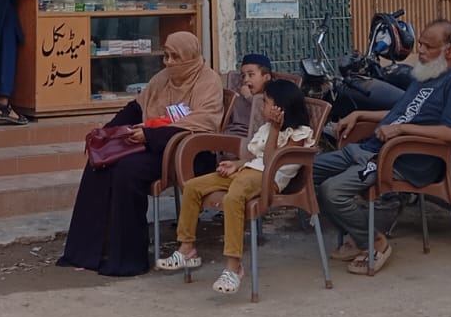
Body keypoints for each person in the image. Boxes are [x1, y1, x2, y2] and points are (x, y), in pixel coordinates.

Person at [57, 31, 226, 277]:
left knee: (127, 170)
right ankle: (87, 251)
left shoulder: (208, 81)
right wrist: (106, 134)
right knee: (102, 162)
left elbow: (202, 123)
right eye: (166, 56)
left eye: (175, 57)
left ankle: (128, 259)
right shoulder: (163, 79)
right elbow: (137, 108)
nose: (168, 62)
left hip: (188, 154)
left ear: (190, 57)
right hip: (155, 145)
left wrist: (150, 135)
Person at [313, 19, 451, 276]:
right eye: (419, 43)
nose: (419, 50)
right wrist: (361, 115)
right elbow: (403, 113)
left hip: (401, 159)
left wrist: (401, 131)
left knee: (332, 190)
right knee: (306, 171)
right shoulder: (426, 74)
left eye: (427, 46)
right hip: (372, 148)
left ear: (449, 51)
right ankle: (358, 235)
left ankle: (375, 242)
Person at [157, 78, 316, 294]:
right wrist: (236, 165)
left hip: (268, 179)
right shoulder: (267, 128)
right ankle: (187, 248)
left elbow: (271, 162)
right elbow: (255, 156)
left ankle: (234, 266)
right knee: (194, 186)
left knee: (234, 197)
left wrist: (276, 129)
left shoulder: (299, 133)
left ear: (282, 107)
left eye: (268, 102)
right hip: (247, 172)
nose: (263, 107)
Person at [224, 52, 274, 138]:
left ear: (266, 78)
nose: (246, 80)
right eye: (243, 76)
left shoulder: (271, 97)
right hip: (230, 134)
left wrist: (249, 98)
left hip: (253, 138)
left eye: (251, 75)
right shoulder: (239, 94)